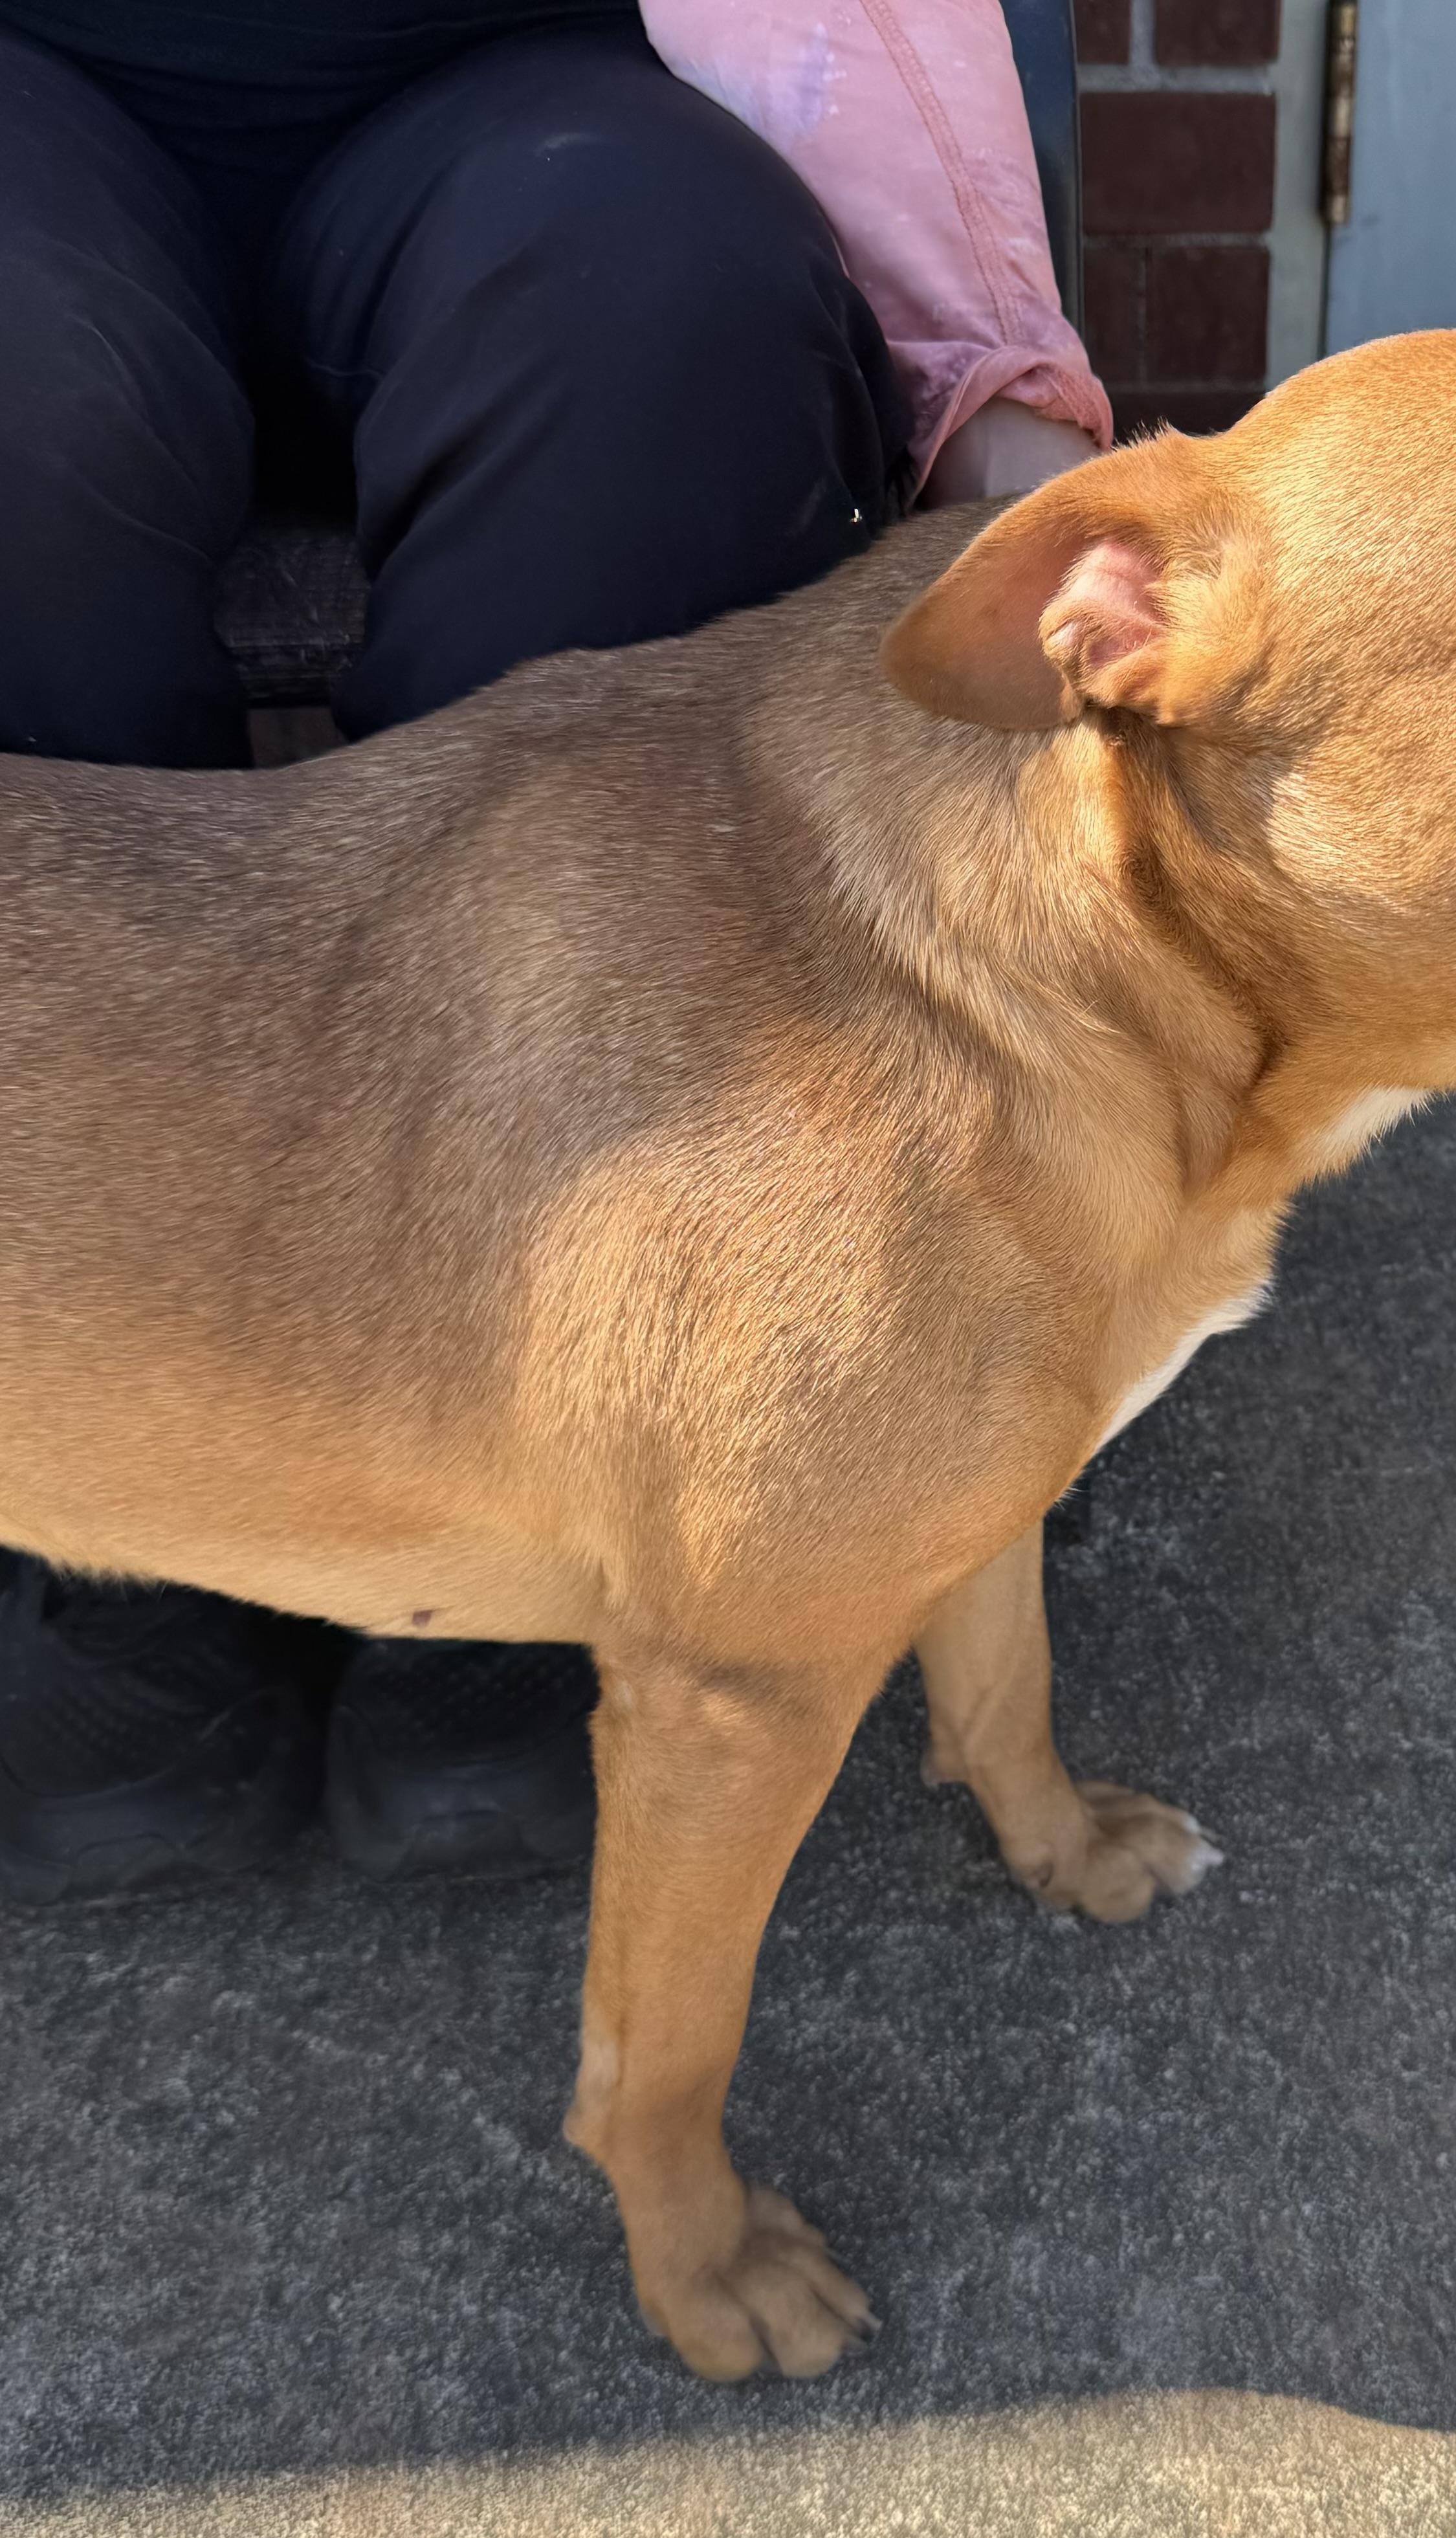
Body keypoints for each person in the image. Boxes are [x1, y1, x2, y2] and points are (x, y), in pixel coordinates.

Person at [0, 0, 1107, 1902]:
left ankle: (544, 1487)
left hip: (513, 76)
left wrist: (995, 398)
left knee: (661, 296)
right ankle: (103, 1521)